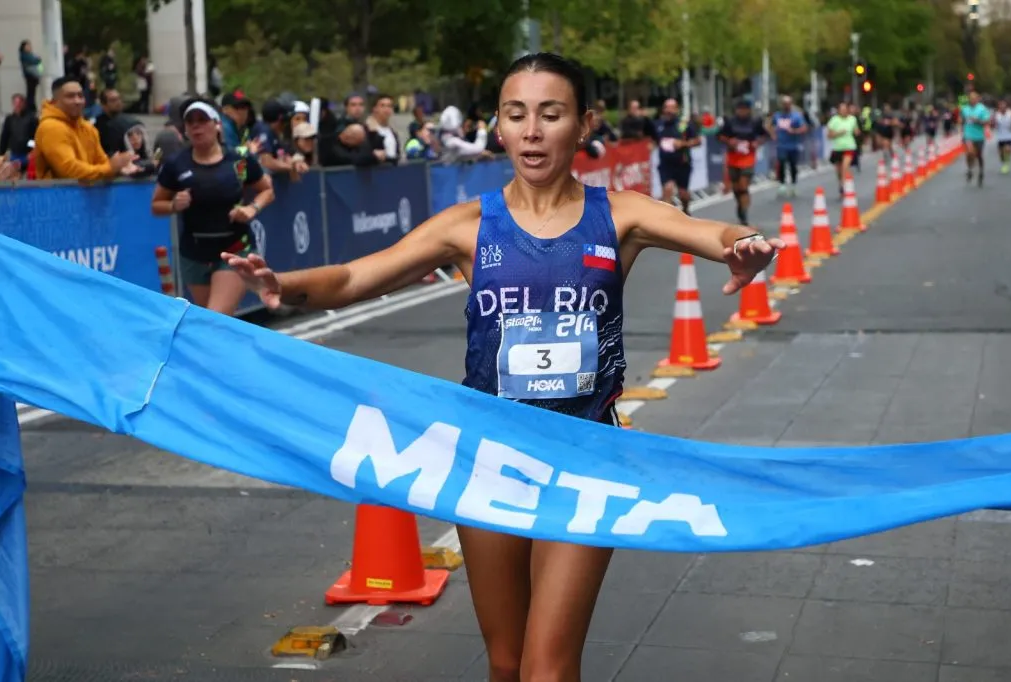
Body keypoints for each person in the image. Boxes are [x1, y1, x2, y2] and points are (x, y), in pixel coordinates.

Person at [222, 52, 782, 682]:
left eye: (551, 114)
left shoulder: (620, 215)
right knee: (507, 662)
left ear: (584, 124)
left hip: (583, 457)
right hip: (488, 455)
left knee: (547, 667)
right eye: (517, 115)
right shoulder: (469, 226)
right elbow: (356, 276)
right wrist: (280, 284)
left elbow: (711, 231)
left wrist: (746, 246)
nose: (533, 131)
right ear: (499, 126)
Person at [151, 98, 275, 316]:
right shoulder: (176, 163)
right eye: (190, 122)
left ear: (217, 124)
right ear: (186, 130)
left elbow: (267, 190)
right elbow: (156, 205)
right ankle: (233, 349)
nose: (196, 126)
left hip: (235, 248)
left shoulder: (239, 159)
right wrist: (173, 204)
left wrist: (251, 209)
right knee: (212, 322)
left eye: (202, 120)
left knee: (215, 318)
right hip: (194, 251)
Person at [716, 97, 769, 226]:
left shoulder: (755, 122)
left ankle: (744, 217)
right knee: (736, 188)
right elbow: (719, 136)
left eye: (745, 109)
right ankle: (740, 209)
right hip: (733, 158)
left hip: (748, 158)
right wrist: (729, 142)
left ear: (749, 110)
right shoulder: (730, 122)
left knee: (743, 186)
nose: (742, 112)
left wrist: (757, 143)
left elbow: (765, 135)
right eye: (740, 109)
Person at [769, 95, 808, 198]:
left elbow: (804, 128)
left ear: (791, 104)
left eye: (788, 104)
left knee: (793, 166)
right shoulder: (777, 116)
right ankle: (782, 184)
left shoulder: (796, 116)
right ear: (781, 105)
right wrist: (773, 134)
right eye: (784, 104)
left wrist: (794, 131)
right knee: (781, 163)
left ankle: (794, 184)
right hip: (781, 145)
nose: (786, 106)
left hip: (793, 145)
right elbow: (770, 125)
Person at [826, 101, 860, 194]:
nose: (844, 111)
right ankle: (841, 183)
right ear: (838, 111)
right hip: (837, 148)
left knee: (845, 166)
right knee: (839, 170)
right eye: (841, 110)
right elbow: (829, 135)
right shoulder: (834, 120)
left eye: (845, 109)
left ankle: (846, 186)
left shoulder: (852, 119)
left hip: (849, 146)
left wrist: (857, 132)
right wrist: (838, 133)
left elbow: (856, 130)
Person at [960, 90, 991, 186]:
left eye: (974, 98)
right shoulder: (965, 109)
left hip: (979, 136)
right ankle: (970, 169)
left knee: (979, 155)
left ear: (977, 99)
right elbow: (962, 121)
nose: (972, 100)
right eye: (971, 98)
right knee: (969, 153)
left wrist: (977, 120)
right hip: (968, 136)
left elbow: (987, 122)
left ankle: (981, 172)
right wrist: (961, 131)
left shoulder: (982, 109)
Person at [992, 99, 1011, 175]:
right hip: (1000, 136)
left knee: (1007, 149)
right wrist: (993, 122)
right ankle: (1004, 162)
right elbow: (993, 126)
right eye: (1001, 106)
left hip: (1009, 135)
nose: (1002, 107)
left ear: (1006, 106)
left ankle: (1007, 164)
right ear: (999, 107)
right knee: (1001, 155)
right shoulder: (996, 114)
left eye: (1004, 105)